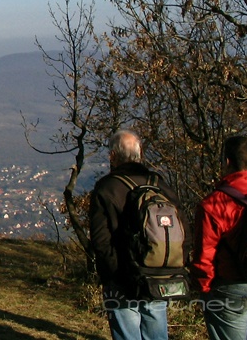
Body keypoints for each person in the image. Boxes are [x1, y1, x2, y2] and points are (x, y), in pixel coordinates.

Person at [88, 129, 190, 340]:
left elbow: (101, 240)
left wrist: (112, 273)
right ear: (140, 154)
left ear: (112, 156)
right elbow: (184, 229)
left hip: (122, 278)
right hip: (157, 274)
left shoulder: (107, 188)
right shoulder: (160, 185)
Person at [191, 134, 247, 340]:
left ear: (228, 161)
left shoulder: (214, 203)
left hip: (230, 286)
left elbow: (205, 253)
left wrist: (204, 288)